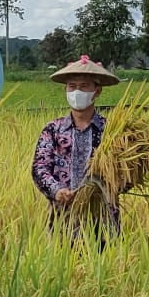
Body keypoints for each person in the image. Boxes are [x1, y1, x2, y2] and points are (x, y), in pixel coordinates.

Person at [31, 55, 120, 237]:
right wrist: (57, 191)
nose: (77, 91)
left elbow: (126, 172)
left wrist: (102, 188)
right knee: (61, 264)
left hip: (104, 222)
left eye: (84, 86)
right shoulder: (53, 129)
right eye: (72, 86)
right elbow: (39, 168)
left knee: (106, 265)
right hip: (62, 221)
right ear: (66, 90)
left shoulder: (112, 131)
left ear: (97, 91)